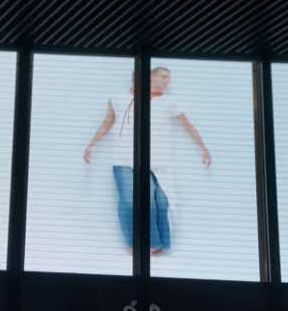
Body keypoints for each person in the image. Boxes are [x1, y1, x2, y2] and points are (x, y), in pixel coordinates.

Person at [83, 66, 212, 255]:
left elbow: (188, 126)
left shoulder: (169, 102)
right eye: (163, 76)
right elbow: (106, 123)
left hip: (157, 161)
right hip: (123, 159)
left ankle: (158, 243)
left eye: (168, 78)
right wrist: (91, 145)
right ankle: (136, 243)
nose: (166, 81)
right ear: (149, 77)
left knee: (159, 201)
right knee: (129, 201)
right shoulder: (117, 99)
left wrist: (203, 148)